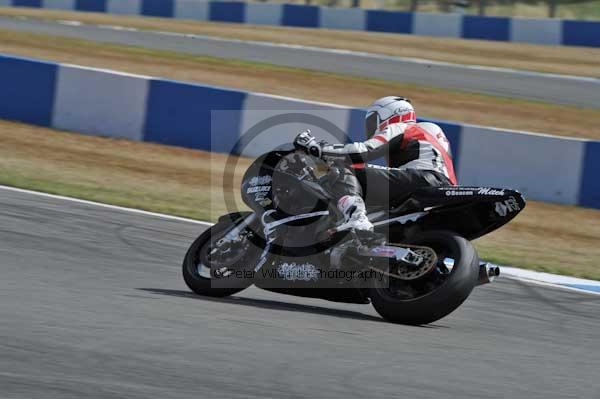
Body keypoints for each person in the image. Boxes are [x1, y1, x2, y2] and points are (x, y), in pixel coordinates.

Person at [294, 96, 457, 232]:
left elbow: (363, 151)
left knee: (342, 168)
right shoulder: (431, 133)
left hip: (422, 179)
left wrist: (319, 148)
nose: (372, 127)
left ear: (390, 114)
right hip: (443, 187)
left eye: (373, 120)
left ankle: (356, 216)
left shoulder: (402, 126)